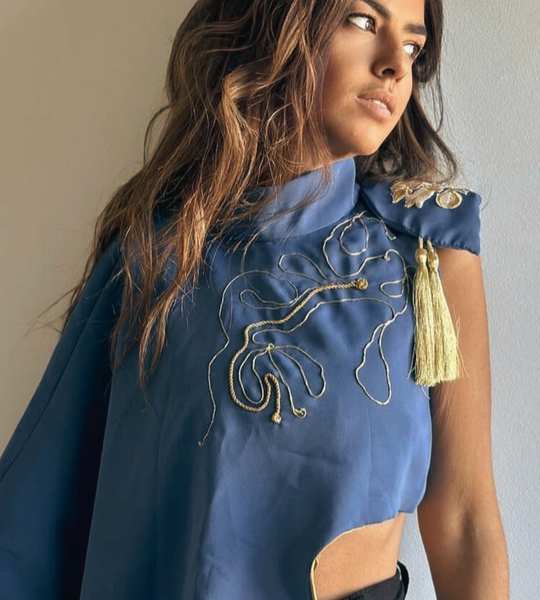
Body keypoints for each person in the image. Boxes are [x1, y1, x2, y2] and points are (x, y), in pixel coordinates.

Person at [0, 0, 509, 598]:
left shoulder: (427, 257)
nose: (396, 64)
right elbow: (43, 514)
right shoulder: (158, 257)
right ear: (283, 24)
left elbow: (465, 521)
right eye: (363, 21)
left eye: (413, 46)